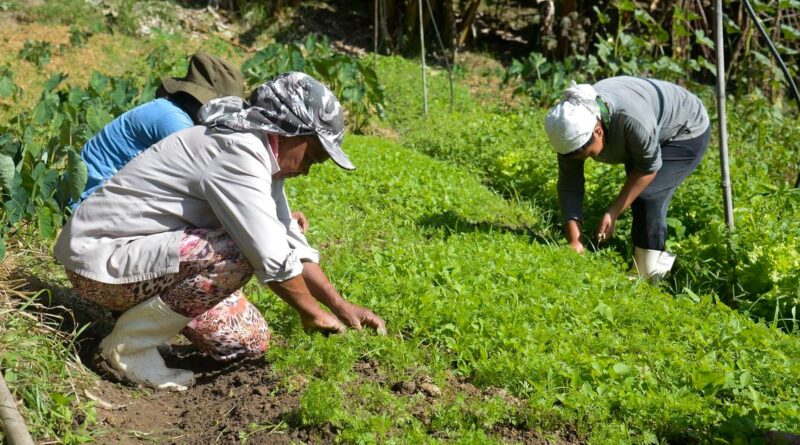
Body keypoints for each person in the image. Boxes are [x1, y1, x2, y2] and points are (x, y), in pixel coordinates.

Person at [54, 72, 386, 391]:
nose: (307, 169)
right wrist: (312, 314)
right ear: (286, 130)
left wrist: (341, 307)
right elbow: (270, 255)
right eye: (311, 157)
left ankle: (139, 326)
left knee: (246, 341)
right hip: (100, 264)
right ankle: (126, 351)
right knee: (238, 252)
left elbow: (289, 239)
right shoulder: (238, 151)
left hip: (140, 260)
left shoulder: (261, 155)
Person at [544, 76, 710, 281]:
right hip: (647, 126)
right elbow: (570, 184)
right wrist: (575, 241)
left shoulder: (631, 121)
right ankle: (643, 259)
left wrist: (613, 212)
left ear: (598, 131)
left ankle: (649, 273)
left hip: (685, 127)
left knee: (648, 195)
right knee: (637, 194)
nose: (584, 159)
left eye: (587, 153)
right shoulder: (569, 132)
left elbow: (648, 168)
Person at [73, 52, 245, 208]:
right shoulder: (174, 121)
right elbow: (197, 178)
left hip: (97, 195)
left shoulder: (171, 111)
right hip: (90, 201)